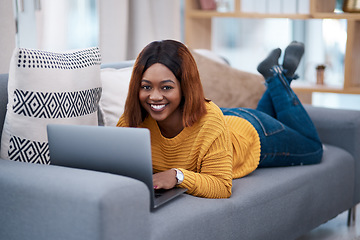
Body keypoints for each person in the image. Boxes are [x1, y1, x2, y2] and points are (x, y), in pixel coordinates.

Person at [116, 39, 323, 199]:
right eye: (146, 86)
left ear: (185, 87)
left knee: (314, 149)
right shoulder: (133, 119)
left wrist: (178, 175)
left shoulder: (209, 120)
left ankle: (277, 77)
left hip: (251, 131)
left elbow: (222, 187)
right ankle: (277, 75)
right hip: (221, 124)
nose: (154, 96)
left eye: (166, 87)